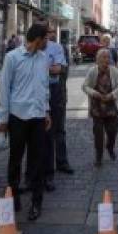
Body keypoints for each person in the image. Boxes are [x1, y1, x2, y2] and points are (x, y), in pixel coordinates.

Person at [0, 23, 52, 220]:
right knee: (15, 159)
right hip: (18, 116)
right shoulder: (12, 57)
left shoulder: (44, 58)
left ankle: (37, 202)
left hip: (37, 116)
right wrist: (3, 117)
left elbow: (44, 87)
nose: (48, 42)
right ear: (38, 39)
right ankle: (13, 197)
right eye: (46, 38)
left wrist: (47, 111)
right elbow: (4, 88)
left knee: (37, 161)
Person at [45, 24, 73, 187]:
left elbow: (62, 70)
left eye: (52, 32)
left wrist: (54, 70)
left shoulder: (61, 48)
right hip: (43, 93)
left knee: (60, 130)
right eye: (48, 32)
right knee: (45, 133)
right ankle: (46, 167)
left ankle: (62, 162)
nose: (51, 35)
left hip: (58, 93)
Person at [83, 48, 118, 167]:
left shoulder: (114, 71)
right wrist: (95, 93)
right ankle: (99, 156)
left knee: (112, 131)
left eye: (108, 57)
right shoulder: (92, 71)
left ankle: (110, 146)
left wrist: (112, 95)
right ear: (97, 60)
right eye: (103, 58)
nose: (106, 60)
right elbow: (85, 86)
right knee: (98, 134)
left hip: (111, 105)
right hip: (97, 107)